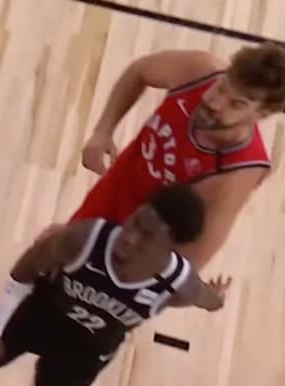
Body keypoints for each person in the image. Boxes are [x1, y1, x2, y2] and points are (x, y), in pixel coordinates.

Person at [0, 183, 230, 386]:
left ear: (171, 250)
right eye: (135, 221)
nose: (129, 237)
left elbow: (206, 298)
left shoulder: (178, 287)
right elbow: (27, 267)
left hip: (87, 351)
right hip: (43, 313)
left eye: (147, 237)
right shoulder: (84, 239)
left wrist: (217, 299)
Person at [74, 42, 285, 269]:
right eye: (222, 87)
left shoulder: (238, 173)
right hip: (109, 197)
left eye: (236, 104)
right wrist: (103, 131)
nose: (215, 102)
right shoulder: (198, 71)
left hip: (139, 246)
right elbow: (139, 71)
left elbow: (191, 260)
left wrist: (128, 280)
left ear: (262, 113)